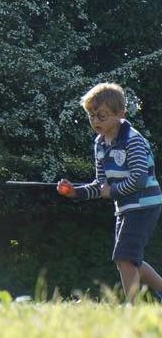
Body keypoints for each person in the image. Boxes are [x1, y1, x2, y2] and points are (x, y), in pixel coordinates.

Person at [59, 82, 162, 302]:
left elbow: (139, 179)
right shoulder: (100, 144)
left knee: (124, 257)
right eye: (91, 116)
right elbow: (100, 184)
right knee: (130, 259)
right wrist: (75, 192)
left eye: (102, 116)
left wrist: (112, 191)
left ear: (120, 114)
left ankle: (131, 308)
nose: (95, 121)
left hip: (144, 205)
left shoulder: (132, 140)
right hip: (125, 207)